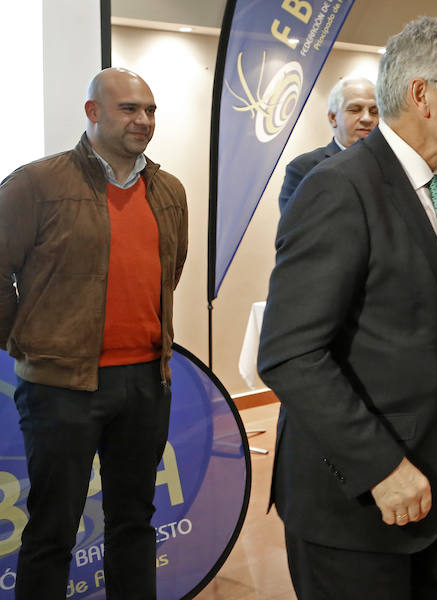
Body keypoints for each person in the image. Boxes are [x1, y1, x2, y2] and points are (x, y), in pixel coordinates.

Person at [257, 16, 437, 600]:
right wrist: (382, 468)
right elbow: (290, 355)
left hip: (432, 496)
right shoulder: (339, 188)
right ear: (422, 95)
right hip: (359, 505)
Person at [0, 67, 188, 599]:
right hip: (61, 388)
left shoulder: (169, 190)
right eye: (129, 108)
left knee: (134, 523)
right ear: (93, 112)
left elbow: (168, 272)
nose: (143, 121)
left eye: (150, 110)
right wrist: (29, 338)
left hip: (146, 384)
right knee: (52, 530)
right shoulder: (36, 184)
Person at [277, 76, 378, 212]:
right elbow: (297, 227)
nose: (367, 118)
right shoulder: (304, 168)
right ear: (333, 118)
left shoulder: (392, 166)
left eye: (374, 112)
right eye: (355, 110)